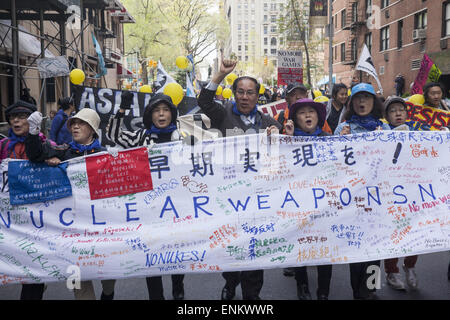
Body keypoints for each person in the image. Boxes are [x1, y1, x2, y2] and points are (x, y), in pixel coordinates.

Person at [197, 58, 282, 300]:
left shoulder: (269, 124)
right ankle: (230, 281)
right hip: (229, 197)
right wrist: (220, 74)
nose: (245, 97)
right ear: (234, 94)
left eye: (250, 93)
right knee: (232, 247)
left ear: (258, 97)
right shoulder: (221, 115)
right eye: (241, 92)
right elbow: (203, 101)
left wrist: (281, 137)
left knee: (255, 248)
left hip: (258, 199)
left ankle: (252, 296)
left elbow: (284, 155)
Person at [25, 107, 116, 300]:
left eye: (81, 123)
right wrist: (33, 133)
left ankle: (108, 293)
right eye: (73, 123)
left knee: (109, 275)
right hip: (73, 228)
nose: (75, 126)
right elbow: (35, 154)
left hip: (101, 225)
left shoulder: (105, 154)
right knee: (79, 281)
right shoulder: (64, 150)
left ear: (92, 129)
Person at [106, 91, 186, 300]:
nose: (161, 115)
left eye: (165, 110)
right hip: (149, 207)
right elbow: (114, 135)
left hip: (176, 206)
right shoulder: (141, 136)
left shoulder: (183, 137)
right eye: (157, 111)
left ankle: (178, 287)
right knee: (152, 253)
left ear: (172, 114)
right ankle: (155, 296)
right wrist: (122, 109)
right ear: (150, 115)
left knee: (177, 249)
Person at [334, 83, 390, 300]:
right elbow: (334, 165)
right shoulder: (343, 129)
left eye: (366, 98)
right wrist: (341, 142)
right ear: (352, 102)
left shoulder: (384, 129)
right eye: (358, 98)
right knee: (356, 249)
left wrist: (383, 142)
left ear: (373, 102)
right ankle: (357, 291)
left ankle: (371, 289)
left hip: (378, 198)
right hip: (353, 199)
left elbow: (395, 162)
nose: (362, 102)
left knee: (377, 250)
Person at [0, 100, 54, 300]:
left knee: (34, 268)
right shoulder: (3, 146)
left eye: (22, 117)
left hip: (39, 219)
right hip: (10, 219)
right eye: (13, 117)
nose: (16, 120)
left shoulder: (46, 144)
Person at [284, 98, 333, 300]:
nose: (307, 116)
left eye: (311, 112)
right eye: (302, 113)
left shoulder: (330, 139)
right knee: (301, 246)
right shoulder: (287, 140)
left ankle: (323, 291)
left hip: (324, 205)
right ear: (295, 118)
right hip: (299, 204)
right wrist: (287, 140)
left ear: (318, 117)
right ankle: (302, 285)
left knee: (326, 249)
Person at [381, 96, 427, 291]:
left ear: (407, 114)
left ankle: (410, 266)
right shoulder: (380, 133)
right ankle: (392, 271)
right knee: (393, 233)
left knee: (414, 231)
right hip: (390, 193)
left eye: (401, 110)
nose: (398, 113)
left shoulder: (418, 130)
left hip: (413, 190)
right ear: (386, 116)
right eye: (393, 111)